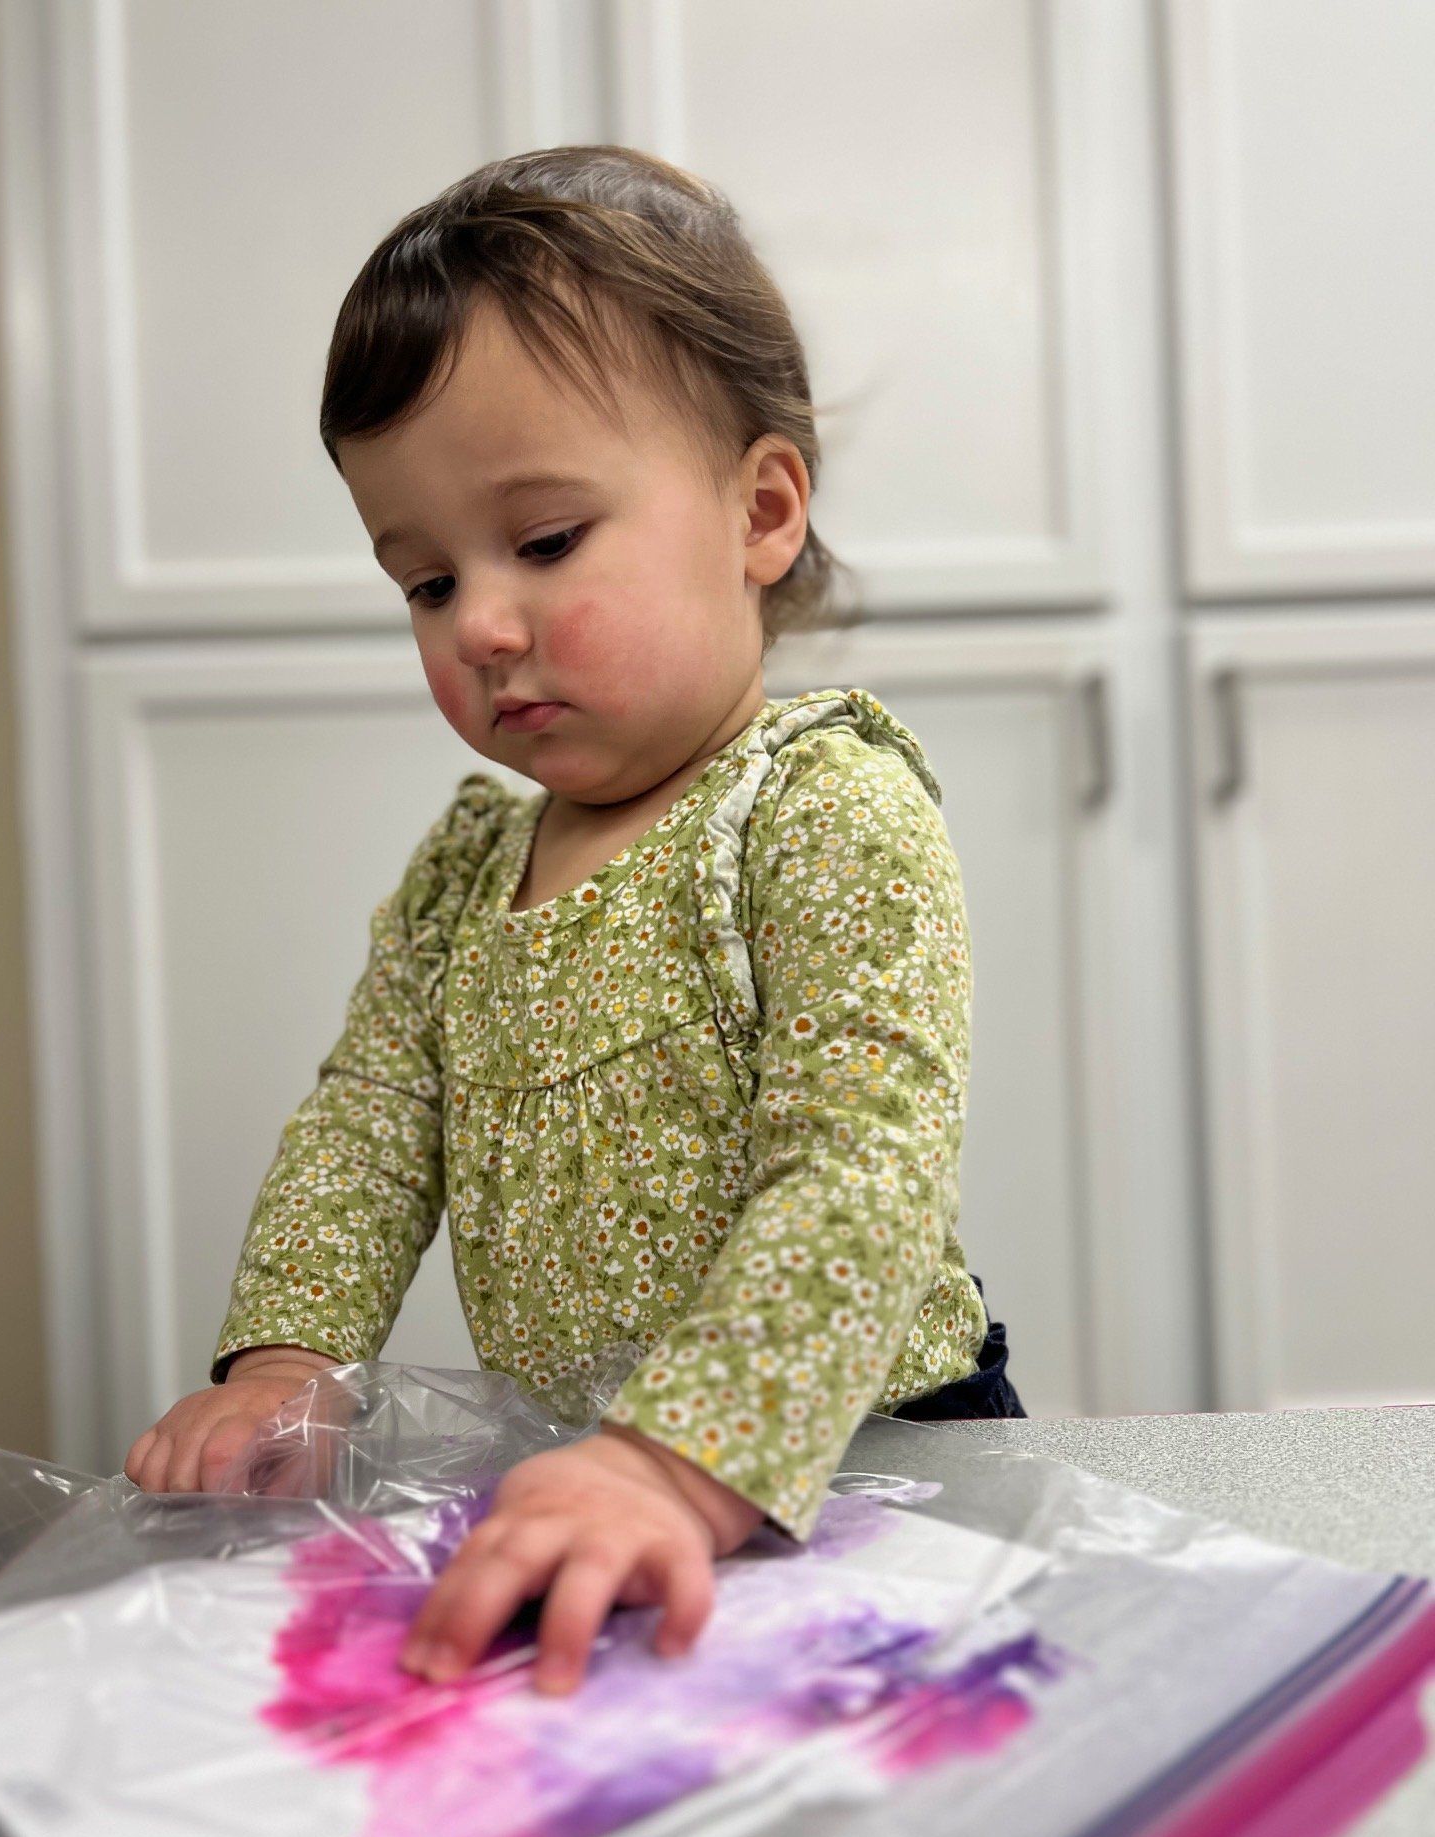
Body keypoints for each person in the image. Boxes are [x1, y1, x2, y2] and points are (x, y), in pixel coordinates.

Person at [123, 143, 1024, 1697]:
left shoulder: (820, 810)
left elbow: (860, 1168)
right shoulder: (469, 869)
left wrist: (684, 1457)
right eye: (421, 579)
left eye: (542, 544)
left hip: (854, 1458)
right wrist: (289, 1358)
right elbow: (367, 1127)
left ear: (761, 510)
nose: (478, 621)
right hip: (590, 1473)